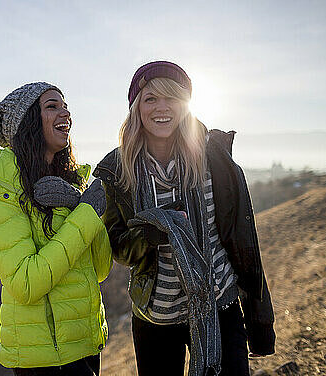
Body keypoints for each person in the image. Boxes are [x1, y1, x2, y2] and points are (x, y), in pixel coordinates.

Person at [93, 61, 275, 376]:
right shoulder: (116, 169)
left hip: (219, 306)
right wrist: (148, 236)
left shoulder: (215, 158)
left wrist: (259, 320)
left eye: (172, 97)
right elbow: (118, 248)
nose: (162, 108)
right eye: (151, 98)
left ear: (185, 105)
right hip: (156, 318)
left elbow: (244, 243)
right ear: (136, 106)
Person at [0, 82, 113, 375]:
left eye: (65, 106)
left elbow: (100, 270)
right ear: (27, 121)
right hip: (42, 357)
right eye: (52, 106)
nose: (65, 112)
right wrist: (86, 214)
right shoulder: (3, 187)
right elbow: (26, 282)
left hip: (85, 343)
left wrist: (79, 204)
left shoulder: (70, 181)